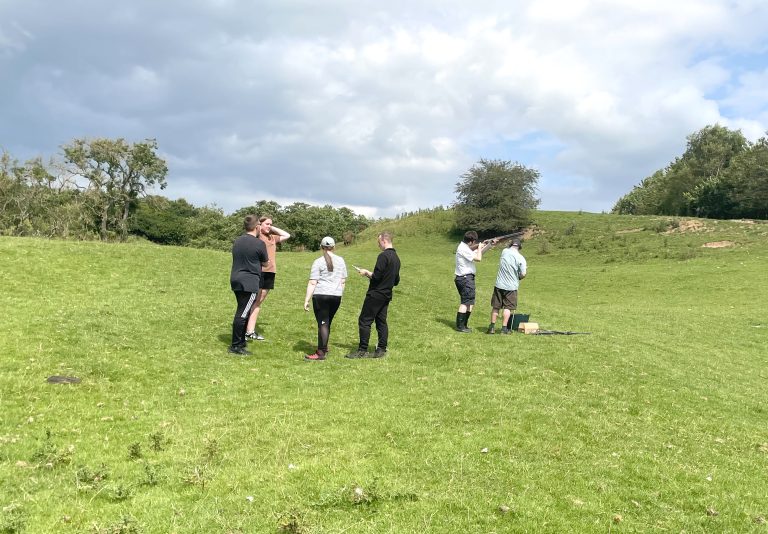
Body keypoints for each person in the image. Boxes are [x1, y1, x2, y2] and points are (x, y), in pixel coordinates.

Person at [345, 232, 401, 359]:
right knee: (381, 321)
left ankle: (362, 350)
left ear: (384, 241)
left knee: (364, 321)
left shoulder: (383, 256)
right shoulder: (397, 258)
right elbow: (396, 281)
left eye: (378, 242)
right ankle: (381, 349)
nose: (378, 245)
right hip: (386, 295)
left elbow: (376, 277)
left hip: (376, 294)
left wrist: (365, 272)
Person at [245, 216, 291, 341]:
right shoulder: (258, 236)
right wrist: (261, 226)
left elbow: (287, 235)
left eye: (271, 224)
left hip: (270, 272)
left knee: (258, 302)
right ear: (259, 225)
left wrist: (271, 228)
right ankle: (246, 329)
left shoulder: (272, 238)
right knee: (253, 301)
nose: (269, 226)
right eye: (267, 224)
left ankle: (250, 331)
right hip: (259, 272)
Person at [228, 215, 269, 355]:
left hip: (236, 279)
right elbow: (265, 262)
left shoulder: (237, 241)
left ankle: (241, 342)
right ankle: (236, 346)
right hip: (249, 282)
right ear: (257, 227)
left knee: (242, 309)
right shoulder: (259, 243)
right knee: (243, 313)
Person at [303, 236, 348, 361]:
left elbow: (313, 282)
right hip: (336, 296)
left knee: (323, 323)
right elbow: (343, 281)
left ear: (321, 247)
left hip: (321, 296)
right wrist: (339, 293)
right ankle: (324, 346)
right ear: (334, 247)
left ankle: (321, 352)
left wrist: (306, 299)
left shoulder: (318, 261)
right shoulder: (341, 260)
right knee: (327, 322)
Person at [454, 231, 492, 333]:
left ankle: (464, 325)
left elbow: (477, 255)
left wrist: (488, 245)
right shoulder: (463, 249)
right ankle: (460, 326)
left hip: (466, 278)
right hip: (465, 278)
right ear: (472, 241)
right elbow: (478, 258)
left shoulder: (464, 248)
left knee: (470, 302)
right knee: (465, 303)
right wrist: (479, 247)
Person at [487, 238, 527, 335]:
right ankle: (504, 329)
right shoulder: (521, 258)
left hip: (499, 284)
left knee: (496, 307)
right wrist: (519, 276)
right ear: (519, 247)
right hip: (511, 287)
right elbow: (523, 274)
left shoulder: (504, 251)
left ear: (511, 245)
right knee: (507, 308)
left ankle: (492, 327)